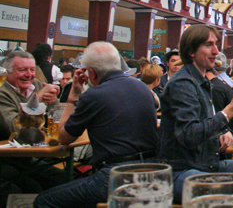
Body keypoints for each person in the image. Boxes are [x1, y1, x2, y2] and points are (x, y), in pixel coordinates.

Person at [34, 42, 160, 208]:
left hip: (116, 176)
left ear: (91, 72)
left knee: (43, 201)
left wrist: (73, 97)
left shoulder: (95, 95)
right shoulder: (143, 89)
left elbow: (64, 137)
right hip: (152, 172)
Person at [157, 25, 233, 202]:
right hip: (181, 170)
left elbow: (203, 121)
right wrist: (228, 112)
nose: (215, 51)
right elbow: (189, 134)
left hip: (207, 164)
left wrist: (223, 132)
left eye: (216, 44)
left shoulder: (202, 82)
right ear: (191, 51)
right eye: (208, 45)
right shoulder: (183, 84)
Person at [0, 51, 66, 198]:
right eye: (22, 70)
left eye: (31, 70)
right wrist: (39, 98)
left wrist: (54, 101)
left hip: (30, 154)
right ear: (7, 73)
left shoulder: (35, 84)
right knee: (30, 188)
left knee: (62, 179)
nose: (29, 75)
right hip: (7, 157)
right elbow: (16, 128)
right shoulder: (2, 91)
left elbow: (55, 121)